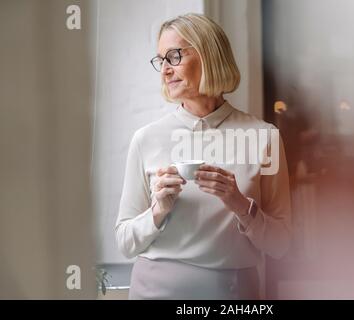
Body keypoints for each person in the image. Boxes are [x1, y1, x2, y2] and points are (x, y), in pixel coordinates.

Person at [115, 13, 291, 300]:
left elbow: (281, 244)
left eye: (174, 56)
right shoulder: (146, 139)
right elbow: (125, 242)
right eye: (161, 61)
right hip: (152, 291)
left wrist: (240, 205)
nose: (165, 70)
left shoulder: (264, 137)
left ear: (209, 55)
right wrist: (158, 210)